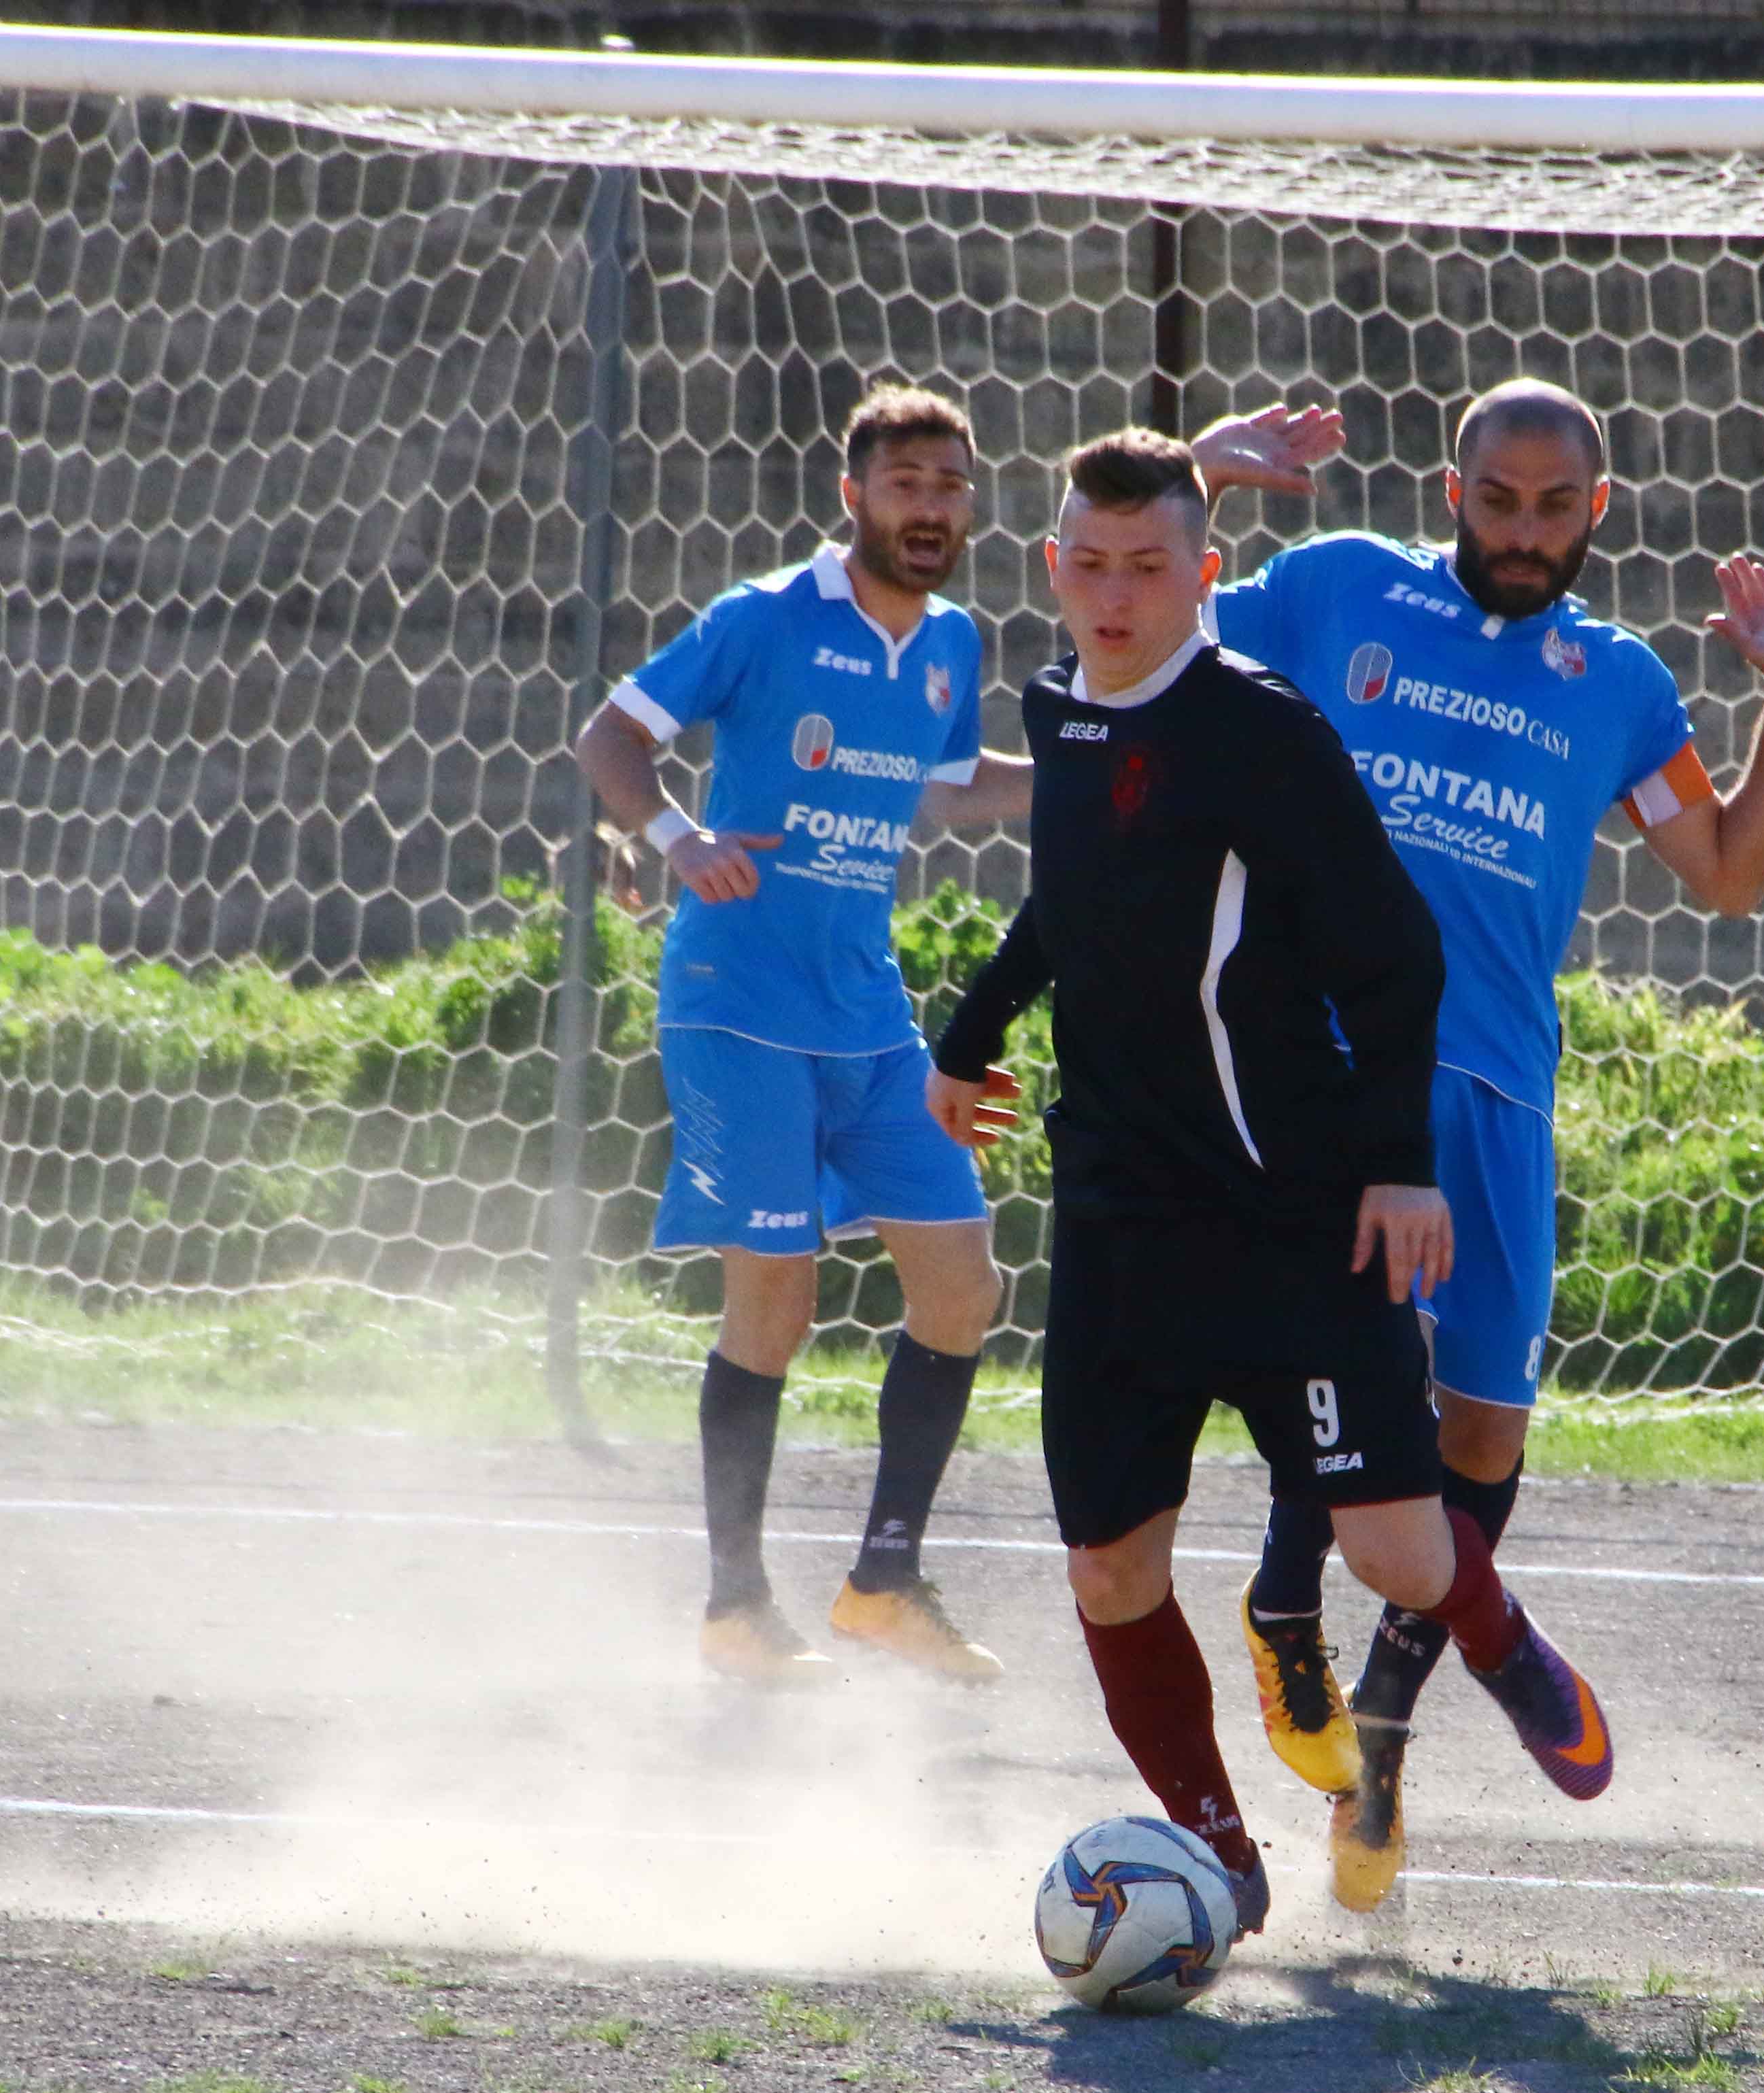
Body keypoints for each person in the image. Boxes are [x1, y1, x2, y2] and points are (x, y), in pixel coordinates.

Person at [925, 428, 1614, 1932]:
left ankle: (1498, 1644)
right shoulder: (1060, 713)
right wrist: (964, 1035)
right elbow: (1067, 901)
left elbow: (1392, 951)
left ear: (1202, 575)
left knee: (1399, 1550)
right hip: (1118, 1219)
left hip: (1292, 1212)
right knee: (1107, 1571)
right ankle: (1218, 1860)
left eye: (1148, 568)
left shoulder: (1262, 732)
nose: (1114, 597)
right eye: (1090, 567)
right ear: (1054, 568)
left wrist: (1397, 1169)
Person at [1190, 379, 1764, 1903]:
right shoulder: (1338, 587)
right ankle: (1289, 1614)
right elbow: (1150, 637)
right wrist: (1204, 495)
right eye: (1498, 501)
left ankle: (1386, 1738)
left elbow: (1729, 875)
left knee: (1480, 1428)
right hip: (1333, 1076)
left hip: (1498, 1092)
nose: (1524, 533)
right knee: (1361, 1374)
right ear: (1450, 490)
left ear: (1594, 509)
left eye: (1555, 508)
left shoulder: (1614, 682)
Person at [572, 384, 1033, 1686]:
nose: (931, 507)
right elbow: (612, 736)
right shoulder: (764, 619)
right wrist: (678, 839)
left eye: (949, 484)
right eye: (906, 484)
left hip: (869, 1015)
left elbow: (947, 794)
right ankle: (733, 1607)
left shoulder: (952, 642)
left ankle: (884, 1582)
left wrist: (1088, 767)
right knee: (774, 1297)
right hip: (735, 1009)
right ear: (856, 496)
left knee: (961, 1285)